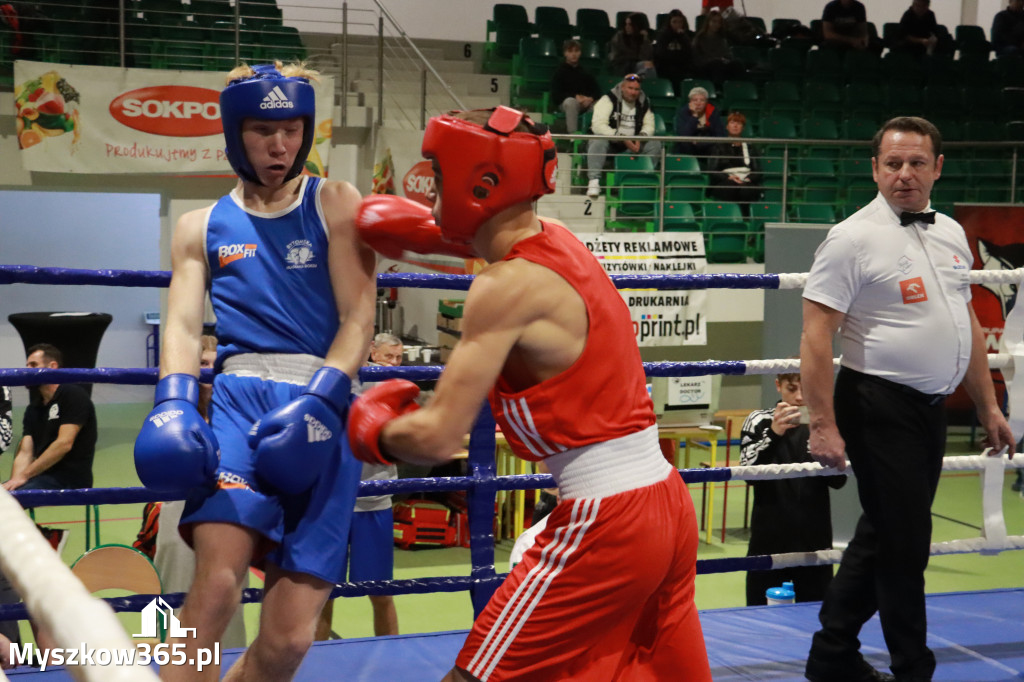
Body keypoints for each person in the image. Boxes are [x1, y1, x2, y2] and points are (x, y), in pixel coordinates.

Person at [348, 106, 712, 681]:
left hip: (606, 519)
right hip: (664, 501)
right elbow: (501, 256)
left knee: (473, 676)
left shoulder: (502, 288)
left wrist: (366, 425)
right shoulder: (560, 241)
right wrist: (428, 232)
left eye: (439, 179)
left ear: (481, 184)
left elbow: (438, 435)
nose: (432, 194)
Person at [132, 61, 377, 681]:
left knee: (290, 639)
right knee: (213, 591)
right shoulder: (201, 226)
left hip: (324, 406)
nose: (280, 145)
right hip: (240, 405)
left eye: (292, 129)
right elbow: (186, 327)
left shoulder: (336, 202)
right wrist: (176, 403)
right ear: (235, 132)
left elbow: (358, 317)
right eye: (263, 130)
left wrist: (323, 397)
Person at [801, 116, 1014, 682]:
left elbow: (962, 320)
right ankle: (912, 668)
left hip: (929, 409)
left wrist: (989, 406)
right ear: (875, 169)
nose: (904, 175)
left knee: (886, 534)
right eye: (892, 163)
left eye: (916, 163)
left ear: (937, 168)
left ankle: (832, 657)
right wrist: (820, 422)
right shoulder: (851, 238)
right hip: (876, 406)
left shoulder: (948, 231)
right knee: (906, 547)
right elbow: (816, 333)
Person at [152, 334, 248, 650]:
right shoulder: (174, 415)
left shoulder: (238, 415)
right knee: (179, 596)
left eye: (213, 364)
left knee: (228, 599)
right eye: (202, 364)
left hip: (228, 510)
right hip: (178, 509)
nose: (208, 371)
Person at [740, 369, 846, 607]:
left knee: (815, 616)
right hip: (768, 541)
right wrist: (774, 434)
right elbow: (749, 475)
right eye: (791, 389)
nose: (799, 397)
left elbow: (838, 481)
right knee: (760, 615)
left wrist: (819, 442)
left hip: (814, 542)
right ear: (778, 385)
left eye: (805, 389)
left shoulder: (824, 424)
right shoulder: (759, 420)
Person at [347, 332, 402, 637]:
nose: (394, 363)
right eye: (388, 356)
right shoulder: (350, 381)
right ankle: (315, 665)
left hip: (375, 499)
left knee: (381, 592)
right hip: (338, 500)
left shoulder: (401, 390)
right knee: (323, 591)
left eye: (398, 357)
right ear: (372, 353)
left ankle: (389, 660)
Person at [4, 344, 97, 492]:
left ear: (52, 366)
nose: (27, 370)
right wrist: (16, 482)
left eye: (33, 365)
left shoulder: (73, 395)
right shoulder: (33, 409)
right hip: (40, 476)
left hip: (70, 481)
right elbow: (25, 452)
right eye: (27, 365)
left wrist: (25, 476)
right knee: (6, 497)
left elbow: (64, 443)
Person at [585, 74, 662, 199]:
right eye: (630, 88)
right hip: (611, 143)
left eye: (636, 89)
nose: (633, 92)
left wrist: (641, 138)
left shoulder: (644, 101)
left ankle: (642, 181)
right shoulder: (608, 99)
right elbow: (598, 126)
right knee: (597, 139)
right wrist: (622, 137)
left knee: (655, 145)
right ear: (622, 88)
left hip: (633, 144)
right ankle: (594, 181)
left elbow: (649, 125)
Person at [707, 111, 762, 213]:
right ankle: (729, 216)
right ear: (727, 126)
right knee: (730, 187)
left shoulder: (750, 147)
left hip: (745, 179)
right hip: (726, 179)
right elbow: (712, 170)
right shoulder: (718, 146)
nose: (735, 126)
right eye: (732, 123)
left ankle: (745, 219)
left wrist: (748, 178)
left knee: (747, 190)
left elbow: (757, 169)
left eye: (739, 123)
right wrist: (729, 177)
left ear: (743, 127)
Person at [549, 39, 601, 135]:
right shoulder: (559, 72)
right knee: (571, 102)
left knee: (599, 104)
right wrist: (575, 97)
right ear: (565, 53)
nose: (574, 54)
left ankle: (592, 134)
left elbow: (597, 91)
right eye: (570, 51)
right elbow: (556, 95)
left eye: (576, 51)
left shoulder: (586, 71)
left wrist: (590, 98)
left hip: (586, 103)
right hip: (567, 103)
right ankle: (573, 136)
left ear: (580, 53)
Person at [692, 9, 745, 86]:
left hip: (721, 64)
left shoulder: (721, 38)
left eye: (719, 22)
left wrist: (725, 60)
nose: (717, 24)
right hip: (705, 67)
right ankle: (718, 88)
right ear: (708, 22)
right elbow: (698, 58)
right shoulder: (700, 38)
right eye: (714, 21)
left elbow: (727, 54)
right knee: (717, 65)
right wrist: (715, 60)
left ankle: (738, 87)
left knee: (737, 63)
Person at [673, 85, 726, 159]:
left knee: (718, 148)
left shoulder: (713, 112)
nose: (698, 103)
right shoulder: (683, 113)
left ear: (706, 102)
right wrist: (694, 115)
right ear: (690, 102)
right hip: (688, 146)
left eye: (702, 100)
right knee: (682, 145)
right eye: (695, 100)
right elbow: (684, 135)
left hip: (708, 146)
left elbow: (719, 136)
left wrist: (702, 142)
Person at [653, 9, 695, 95]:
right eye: (674, 22)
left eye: (680, 22)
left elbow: (689, 54)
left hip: (683, 67)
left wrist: (683, 38)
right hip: (666, 67)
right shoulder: (663, 36)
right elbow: (661, 54)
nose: (677, 25)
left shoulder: (687, 36)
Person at [607, 12, 656, 79]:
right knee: (645, 68)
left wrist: (645, 40)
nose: (627, 27)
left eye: (630, 25)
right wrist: (634, 61)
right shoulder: (619, 37)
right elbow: (616, 57)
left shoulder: (644, 39)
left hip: (638, 66)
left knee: (649, 68)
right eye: (626, 24)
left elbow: (646, 57)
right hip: (622, 67)